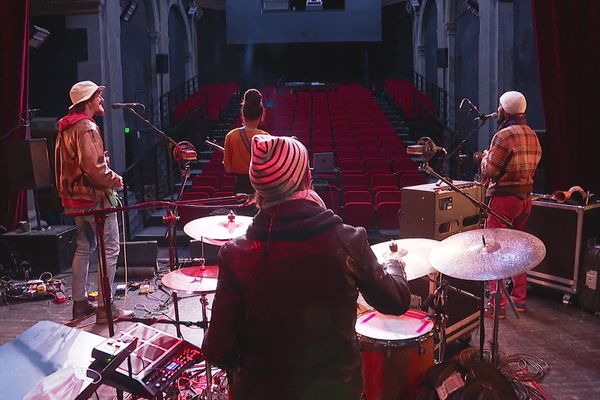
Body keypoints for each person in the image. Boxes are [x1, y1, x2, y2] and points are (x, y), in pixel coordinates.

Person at [203, 135, 411, 399]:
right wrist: (393, 264)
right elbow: (396, 301)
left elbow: (217, 351)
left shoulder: (236, 254)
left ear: (258, 190)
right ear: (307, 180)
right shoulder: (348, 240)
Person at [55, 80, 129, 323]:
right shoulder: (87, 127)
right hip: (94, 197)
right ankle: (106, 308)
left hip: (75, 199)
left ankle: (80, 305)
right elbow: (93, 169)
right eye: (98, 96)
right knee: (110, 249)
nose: (102, 100)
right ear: (88, 101)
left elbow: (74, 165)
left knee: (83, 247)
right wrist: (114, 178)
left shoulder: (66, 127)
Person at [480, 91, 542, 318]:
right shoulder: (532, 134)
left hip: (504, 199)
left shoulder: (504, 135)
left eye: (499, 107)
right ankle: (520, 299)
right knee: (518, 248)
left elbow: (490, 171)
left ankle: (497, 306)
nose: (497, 111)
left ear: (505, 110)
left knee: (494, 249)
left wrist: (485, 156)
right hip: (525, 199)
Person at [223, 88, 269, 194]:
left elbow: (228, 169)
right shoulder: (266, 137)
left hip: (240, 186)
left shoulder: (231, 135)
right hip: (260, 188)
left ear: (243, 114)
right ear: (261, 115)